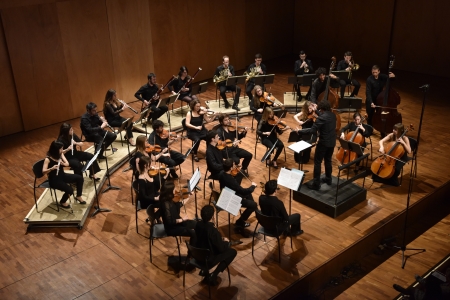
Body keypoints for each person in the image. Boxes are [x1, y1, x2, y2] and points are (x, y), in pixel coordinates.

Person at [192, 205, 237, 286]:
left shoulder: (197, 224)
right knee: (232, 252)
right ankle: (214, 275)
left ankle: (205, 270)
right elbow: (221, 249)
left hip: (197, 255)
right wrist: (227, 243)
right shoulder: (213, 230)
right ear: (212, 216)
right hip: (208, 258)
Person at [296, 100, 336, 190]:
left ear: (321, 108)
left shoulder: (320, 118)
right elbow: (324, 116)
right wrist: (316, 110)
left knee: (317, 162)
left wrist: (300, 131)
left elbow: (312, 130)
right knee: (328, 160)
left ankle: (316, 184)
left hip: (323, 143)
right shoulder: (333, 115)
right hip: (332, 142)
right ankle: (328, 179)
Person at [42, 141, 85, 208]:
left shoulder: (60, 154)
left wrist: (63, 164)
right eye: (61, 149)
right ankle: (62, 201)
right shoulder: (48, 159)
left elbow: (67, 164)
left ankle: (78, 196)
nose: (62, 150)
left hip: (62, 175)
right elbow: (43, 171)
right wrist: (51, 168)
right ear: (55, 150)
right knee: (70, 190)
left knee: (79, 178)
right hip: (54, 180)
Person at [219, 158, 257, 230]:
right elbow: (242, 191)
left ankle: (256, 211)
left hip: (226, 194)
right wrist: (253, 186)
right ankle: (240, 222)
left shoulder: (221, 174)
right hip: (230, 198)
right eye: (233, 165)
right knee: (253, 204)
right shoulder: (231, 180)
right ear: (230, 168)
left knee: (248, 195)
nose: (235, 166)